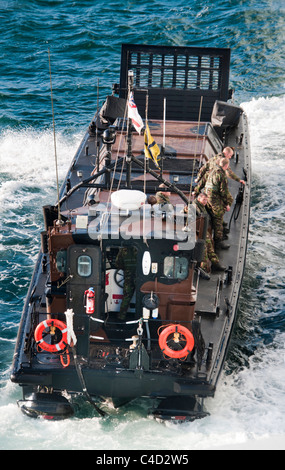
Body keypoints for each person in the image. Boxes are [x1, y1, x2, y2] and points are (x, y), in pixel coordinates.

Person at [193, 192, 226, 275]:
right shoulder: (195, 206)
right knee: (203, 250)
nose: (205, 202)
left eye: (206, 200)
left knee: (209, 246)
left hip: (202, 229)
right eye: (204, 200)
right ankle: (203, 268)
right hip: (196, 231)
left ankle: (215, 263)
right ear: (199, 198)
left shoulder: (202, 205)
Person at [204, 158, 233, 250]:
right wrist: (226, 204)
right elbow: (223, 191)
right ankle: (218, 241)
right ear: (226, 166)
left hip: (207, 196)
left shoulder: (213, 170)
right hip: (214, 198)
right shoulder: (222, 175)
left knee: (212, 215)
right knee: (218, 218)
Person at [115, 246, 137, 321]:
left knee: (126, 297)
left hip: (128, 277)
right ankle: (141, 317)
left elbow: (117, 264)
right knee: (143, 297)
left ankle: (121, 317)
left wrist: (126, 269)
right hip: (141, 277)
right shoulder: (139, 248)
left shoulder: (122, 250)